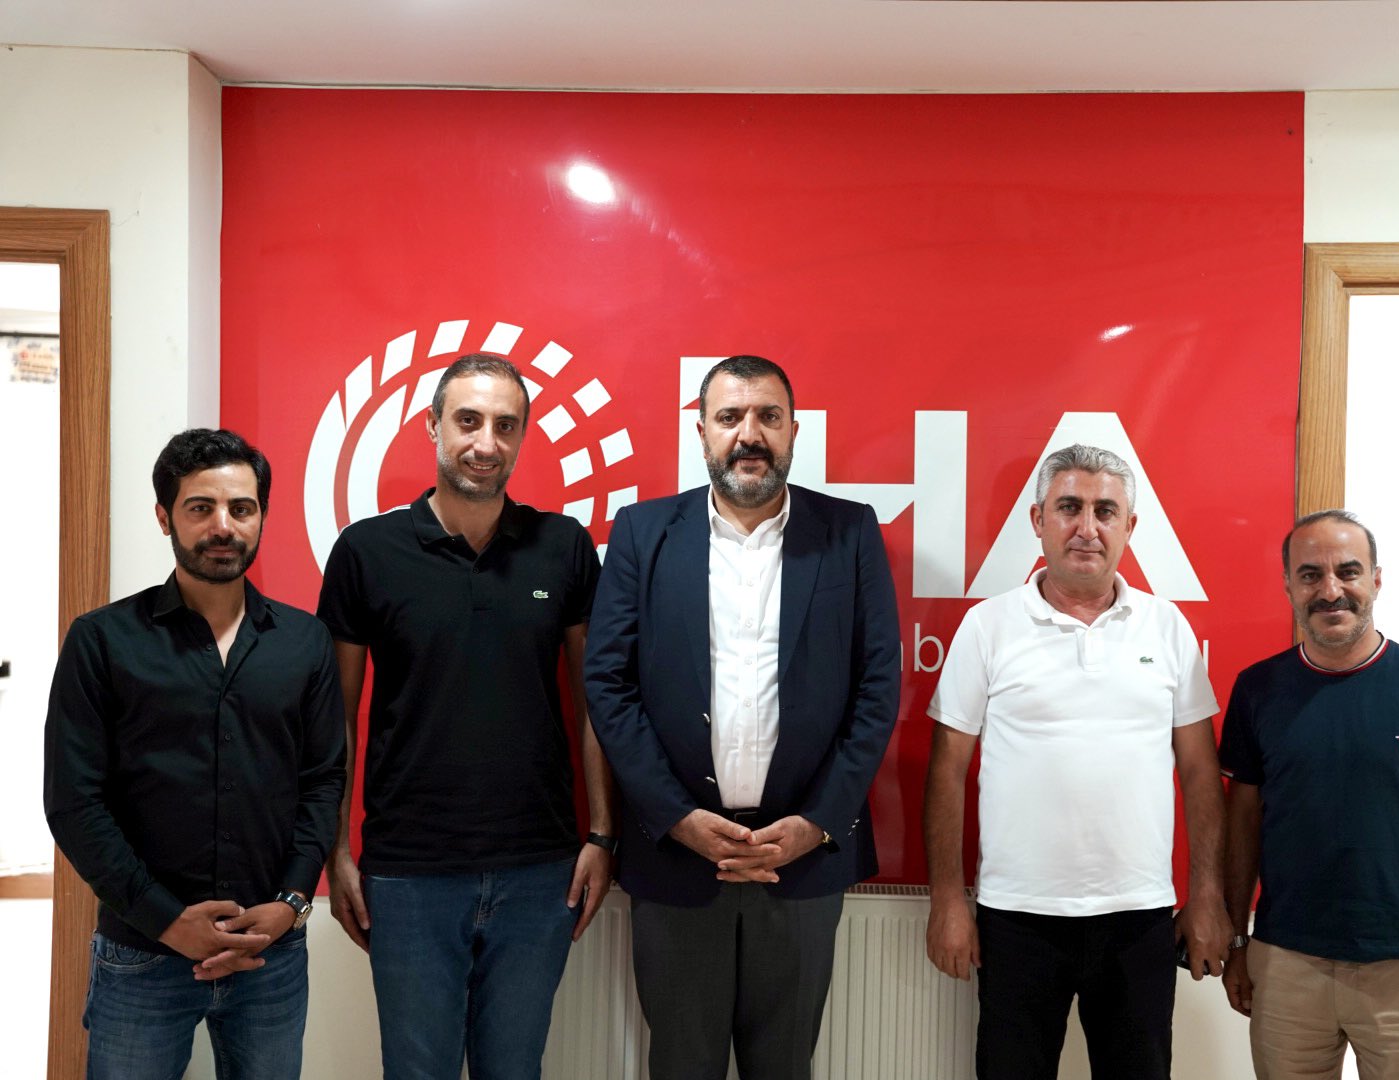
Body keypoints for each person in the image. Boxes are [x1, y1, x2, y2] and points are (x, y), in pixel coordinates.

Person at [583, 354, 901, 1080]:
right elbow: (608, 684)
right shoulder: (643, 532)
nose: (749, 434)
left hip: (802, 863)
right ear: (701, 432)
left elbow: (877, 687)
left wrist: (817, 822)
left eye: (767, 417)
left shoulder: (849, 531)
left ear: (794, 430)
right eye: (729, 417)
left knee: (784, 1068)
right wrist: (674, 816)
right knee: (681, 1067)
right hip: (678, 861)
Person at [316, 353, 614, 1078]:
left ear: (523, 437)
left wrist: (603, 835)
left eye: (506, 426)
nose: (486, 443)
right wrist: (335, 851)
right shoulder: (366, 552)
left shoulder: (564, 547)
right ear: (433, 427)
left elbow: (595, 704)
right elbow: (335, 718)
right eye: (469, 421)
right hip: (409, 874)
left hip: (539, 871)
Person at [44, 428, 345, 1080]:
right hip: (142, 956)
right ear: (165, 517)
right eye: (200, 507)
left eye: (241, 508)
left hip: (271, 954)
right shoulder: (102, 641)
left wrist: (291, 902)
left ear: (261, 516)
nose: (223, 526)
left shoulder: (305, 642)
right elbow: (73, 800)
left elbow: (323, 781)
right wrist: (166, 920)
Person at [923, 443, 1231, 1080]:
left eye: (1104, 511)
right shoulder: (987, 626)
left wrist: (1206, 894)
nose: (1087, 527)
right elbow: (947, 770)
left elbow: (1201, 773)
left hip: (1138, 916)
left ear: (1130, 527)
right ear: (1038, 520)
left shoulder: (1167, 627)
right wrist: (948, 900)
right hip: (1016, 916)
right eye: (1069, 507)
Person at [1219, 509, 1399, 1080]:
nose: (1331, 591)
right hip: (1286, 962)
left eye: (1348, 571)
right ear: (1288, 586)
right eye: (1310, 575)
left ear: (1376, 579)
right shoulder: (1257, 689)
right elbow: (1242, 822)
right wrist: (1237, 942)